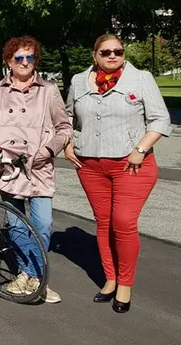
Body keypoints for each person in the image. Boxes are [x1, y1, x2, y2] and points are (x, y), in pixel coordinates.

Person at [64, 34, 171, 313]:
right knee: (104, 222)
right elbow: (68, 117)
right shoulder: (78, 81)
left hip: (131, 164)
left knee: (123, 222)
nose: (113, 56)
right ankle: (110, 278)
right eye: (106, 52)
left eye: (118, 51)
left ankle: (125, 283)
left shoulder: (141, 79)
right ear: (95, 54)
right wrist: (67, 144)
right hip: (90, 165)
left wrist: (140, 149)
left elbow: (160, 119)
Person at [0, 36, 72, 304]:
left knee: (43, 223)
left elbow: (64, 127)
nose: (24, 62)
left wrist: (49, 151)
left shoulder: (49, 90)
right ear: (8, 61)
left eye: (30, 57)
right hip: (9, 167)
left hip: (39, 167)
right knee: (16, 225)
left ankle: (33, 276)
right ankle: (29, 275)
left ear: (36, 60)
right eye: (18, 58)